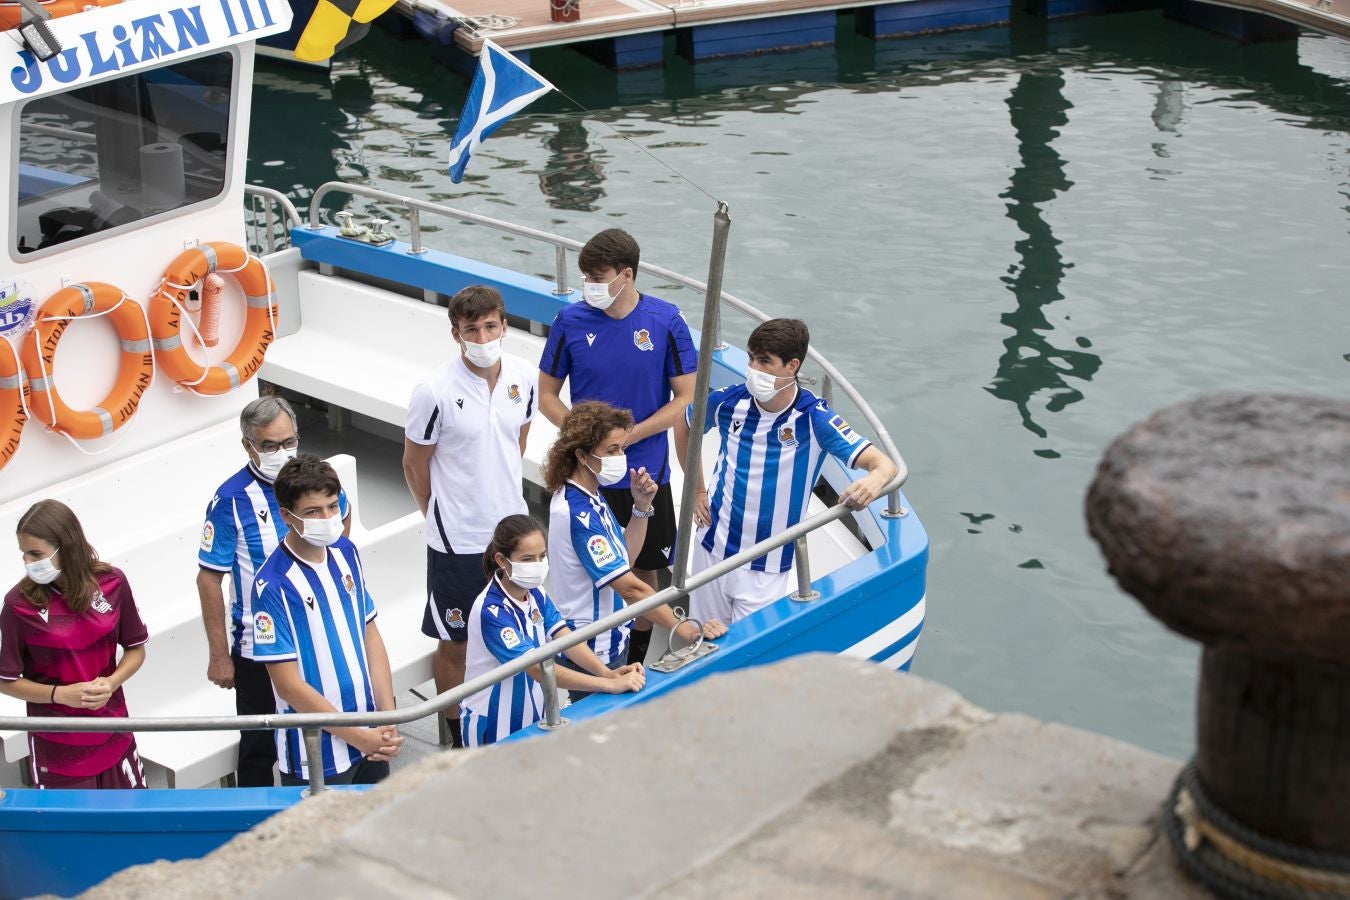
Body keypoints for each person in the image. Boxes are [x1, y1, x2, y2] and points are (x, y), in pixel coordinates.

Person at [537, 228, 697, 666]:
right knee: (587, 566)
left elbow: (685, 398)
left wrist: (632, 436)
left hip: (646, 472)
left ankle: (635, 658)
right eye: (586, 276)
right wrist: (585, 438)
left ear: (626, 275)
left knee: (644, 569)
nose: (589, 284)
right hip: (587, 472)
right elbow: (547, 395)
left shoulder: (667, 321)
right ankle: (586, 656)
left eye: (598, 276)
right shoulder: (569, 321)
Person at [676, 318, 898, 625]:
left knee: (751, 648)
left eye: (764, 361)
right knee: (702, 639)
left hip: (766, 566)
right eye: (751, 358)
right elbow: (685, 424)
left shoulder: (815, 418)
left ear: (792, 366)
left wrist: (874, 480)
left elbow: (884, 464)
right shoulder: (727, 401)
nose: (753, 369)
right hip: (711, 545)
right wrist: (696, 490)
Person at [403, 284, 536, 749]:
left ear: (505, 326)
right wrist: (437, 513)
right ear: (455, 334)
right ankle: (457, 736)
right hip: (456, 540)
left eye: (490, 327)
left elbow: (516, 441)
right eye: (471, 330)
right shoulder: (433, 391)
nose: (482, 338)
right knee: (456, 642)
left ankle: (509, 719)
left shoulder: (524, 377)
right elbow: (414, 464)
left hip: (512, 533)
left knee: (517, 625)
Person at [196, 395, 350, 787]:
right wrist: (219, 656)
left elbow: (341, 536)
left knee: (330, 727)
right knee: (259, 748)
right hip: (259, 649)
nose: (281, 452)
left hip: (319, 636)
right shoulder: (230, 500)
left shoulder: (319, 481)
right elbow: (209, 579)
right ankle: (259, 819)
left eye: (288, 442)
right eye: (269, 445)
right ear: (248, 446)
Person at [542, 402, 724, 696]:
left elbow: (625, 558)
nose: (621, 457)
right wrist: (687, 629)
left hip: (611, 639)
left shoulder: (589, 495)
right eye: (612, 450)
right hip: (592, 650)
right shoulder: (578, 512)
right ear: (581, 455)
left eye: (622, 449)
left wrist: (641, 506)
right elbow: (631, 589)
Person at [245, 455, 401, 786]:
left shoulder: (346, 552)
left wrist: (387, 718)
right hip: (315, 753)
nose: (328, 518)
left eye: (332, 506)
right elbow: (288, 685)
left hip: (372, 735)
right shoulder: (272, 585)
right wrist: (359, 737)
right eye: (313, 511)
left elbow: (370, 635)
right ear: (287, 516)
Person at [460, 514, 645, 747]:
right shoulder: (492, 612)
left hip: (533, 711)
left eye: (542, 556)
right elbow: (538, 669)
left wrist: (606, 673)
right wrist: (608, 685)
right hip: (493, 723)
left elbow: (565, 638)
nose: (537, 565)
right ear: (502, 560)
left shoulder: (535, 592)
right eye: (527, 559)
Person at [0, 500, 148, 789]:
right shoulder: (18, 605)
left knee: (132, 817)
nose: (28, 562)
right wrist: (60, 695)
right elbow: (5, 680)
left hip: (116, 733)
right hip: (60, 753)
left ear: (65, 547)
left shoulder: (112, 582)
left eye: (35, 554)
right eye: (23, 554)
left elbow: (136, 648)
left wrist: (112, 682)